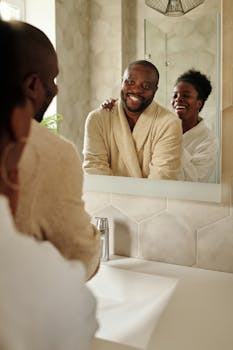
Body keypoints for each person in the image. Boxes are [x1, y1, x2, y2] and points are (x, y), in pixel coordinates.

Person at [0, 19, 98, 350]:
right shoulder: (50, 151)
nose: (55, 89)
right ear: (31, 84)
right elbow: (78, 255)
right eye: (52, 79)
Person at [83, 60, 183, 179]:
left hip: (151, 197)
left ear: (155, 90)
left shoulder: (168, 123)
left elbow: (162, 176)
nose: (136, 90)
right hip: (106, 196)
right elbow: (95, 170)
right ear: (122, 82)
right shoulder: (98, 119)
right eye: (131, 82)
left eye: (146, 86)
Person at [171, 69, 219, 182]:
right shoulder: (163, 129)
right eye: (175, 95)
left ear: (199, 103)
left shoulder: (209, 140)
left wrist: (172, 141)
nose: (178, 99)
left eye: (186, 96)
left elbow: (195, 179)